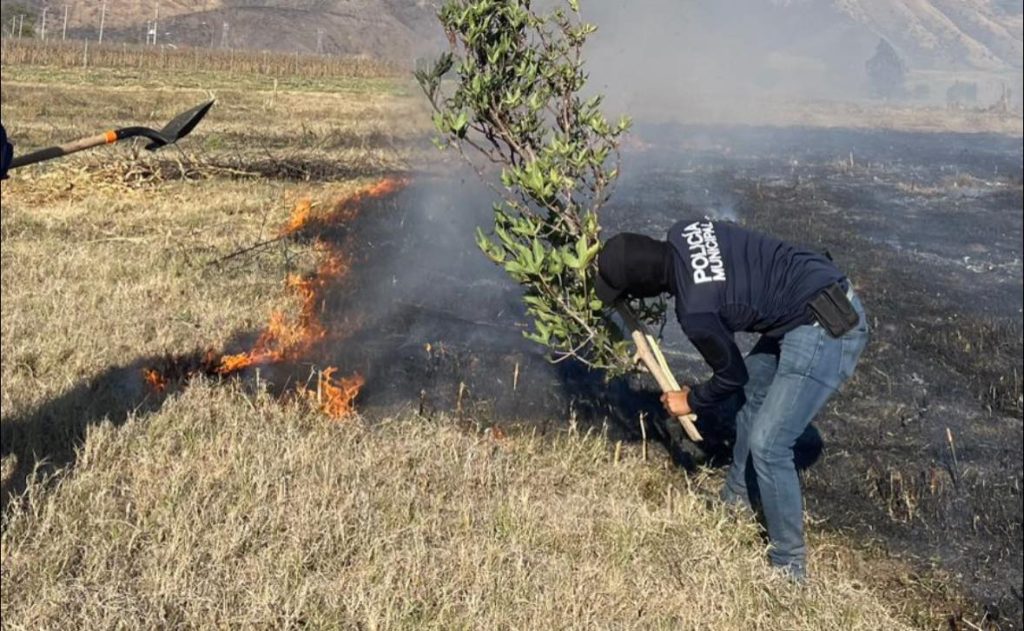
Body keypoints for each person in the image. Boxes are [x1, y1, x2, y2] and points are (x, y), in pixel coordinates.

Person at [595, 218, 869, 581]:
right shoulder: (685, 229)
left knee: (770, 444)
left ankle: (789, 568)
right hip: (809, 288)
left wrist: (691, 400)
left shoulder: (695, 310)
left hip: (828, 325)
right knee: (753, 394)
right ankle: (736, 501)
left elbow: (731, 375)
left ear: (644, 288)